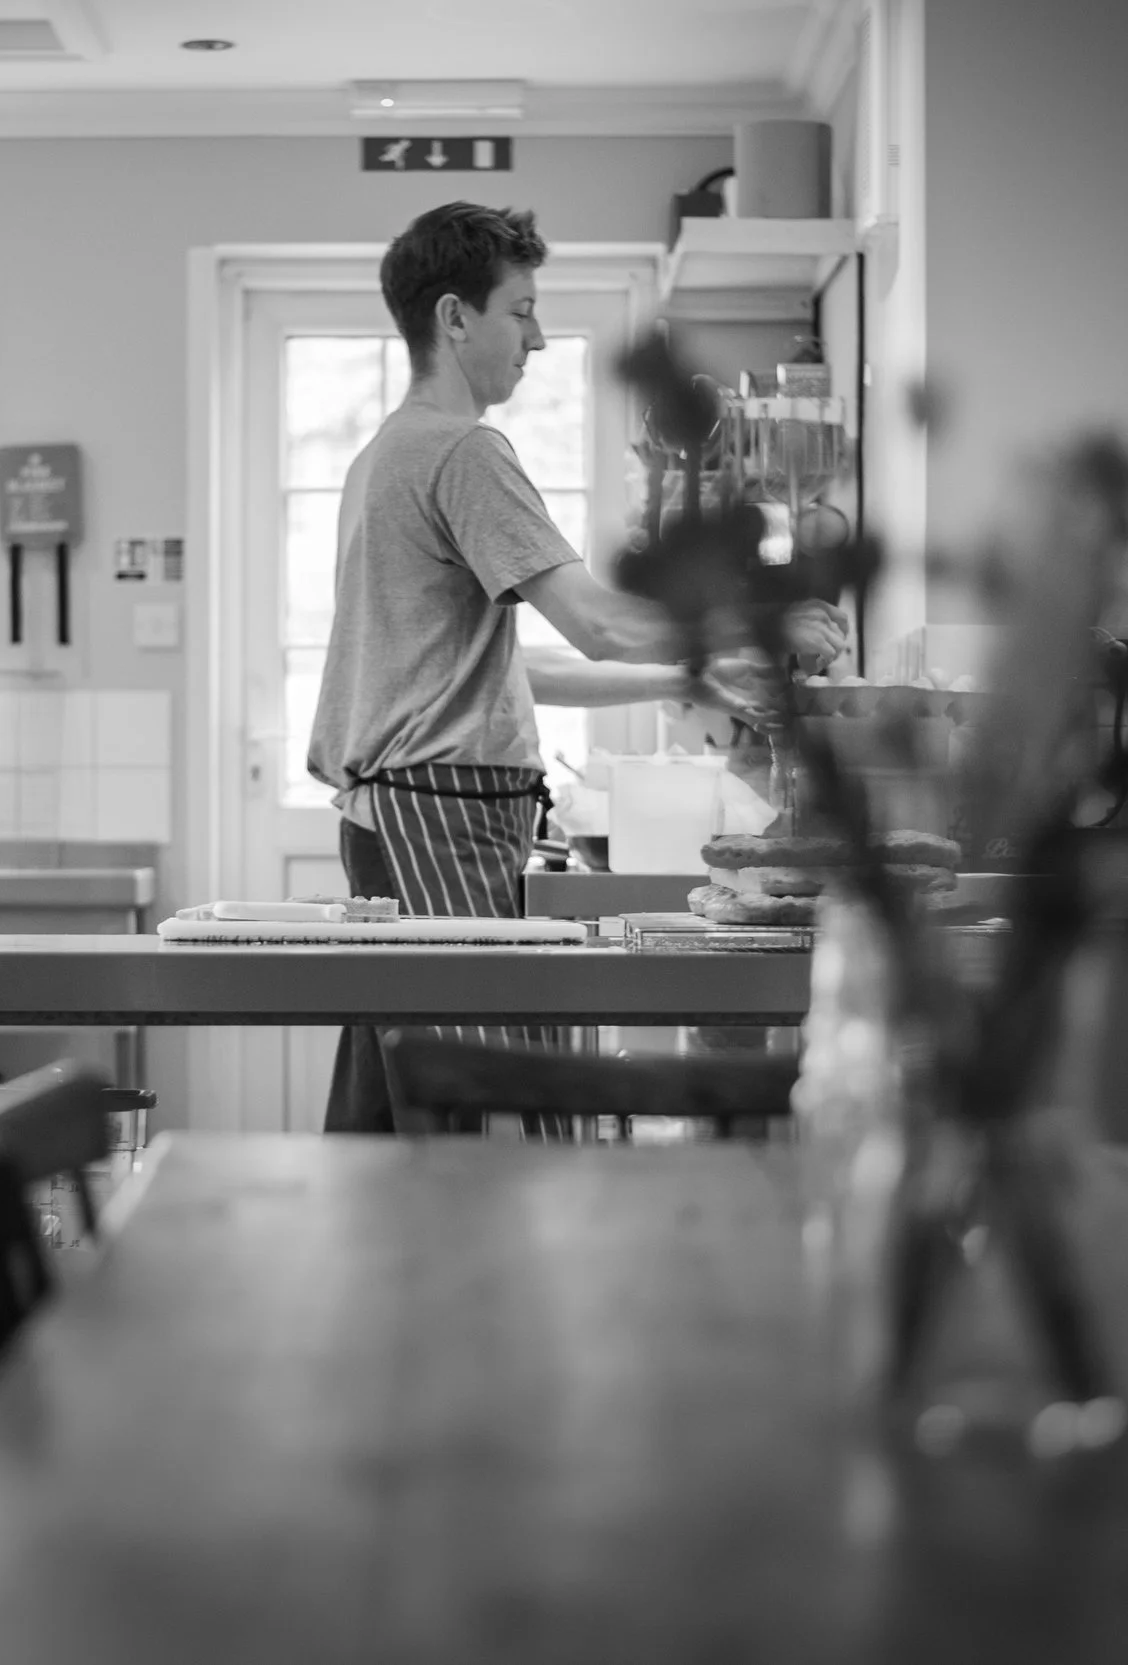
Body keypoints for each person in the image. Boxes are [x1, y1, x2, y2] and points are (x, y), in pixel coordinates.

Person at [307, 200, 847, 1134]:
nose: (540, 337)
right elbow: (595, 621)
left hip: (397, 815)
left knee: (398, 1098)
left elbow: (510, 669)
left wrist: (690, 679)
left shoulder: (382, 456)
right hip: (441, 817)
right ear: (453, 317)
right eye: (520, 311)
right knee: (486, 1096)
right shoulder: (463, 450)